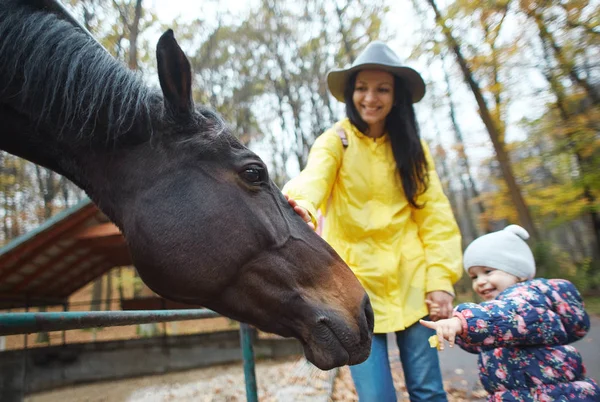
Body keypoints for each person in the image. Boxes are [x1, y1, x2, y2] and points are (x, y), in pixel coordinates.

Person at [282, 40, 462, 401]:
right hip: (355, 290)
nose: (370, 98)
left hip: (412, 281)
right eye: (362, 88)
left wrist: (440, 279)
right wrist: (300, 204)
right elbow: (313, 177)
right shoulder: (337, 140)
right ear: (351, 93)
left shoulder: (413, 149)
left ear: (396, 96)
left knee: (428, 392)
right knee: (378, 397)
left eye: (382, 89)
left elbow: (435, 216)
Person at [421, 225, 600, 401]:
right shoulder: (496, 317)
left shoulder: (529, 299)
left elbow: (510, 315)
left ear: (519, 272)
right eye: (474, 276)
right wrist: (452, 323)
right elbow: (482, 340)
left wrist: (463, 321)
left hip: (551, 396)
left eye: (488, 272)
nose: (480, 282)